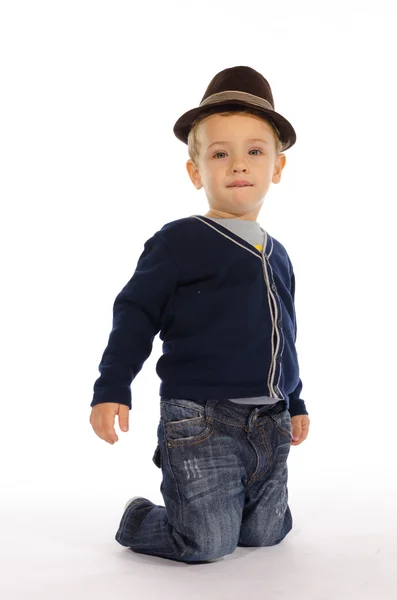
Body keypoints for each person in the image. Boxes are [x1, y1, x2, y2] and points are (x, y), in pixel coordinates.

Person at [89, 65, 311, 564]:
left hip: (269, 420)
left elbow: (284, 337)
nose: (239, 164)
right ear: (196, 172)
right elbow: (135, 313)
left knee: (265, 535)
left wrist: (295, 401)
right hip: (202, 419)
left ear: (276, 167)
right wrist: (111, 388)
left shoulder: (278, 254)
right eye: (220, 153)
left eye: (255, 151)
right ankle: (144, 519)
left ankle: (242, 508)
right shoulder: (179, 241)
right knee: (207, 545)